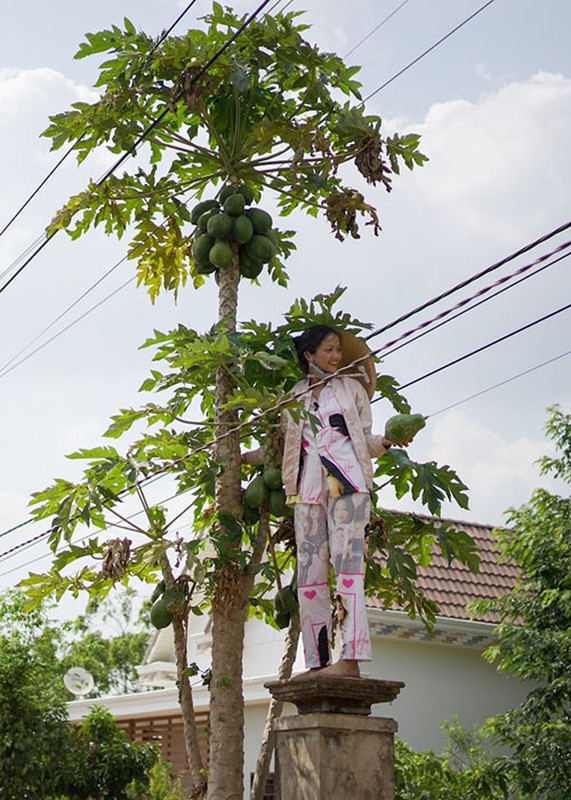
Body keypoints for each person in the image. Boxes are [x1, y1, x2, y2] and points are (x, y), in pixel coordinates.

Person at [279, 324, 396, 678]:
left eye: (337, 350)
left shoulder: (352, 391)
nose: (335, 356)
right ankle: (317, 662)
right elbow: (286, 450)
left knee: (348, 571)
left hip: (347, 485)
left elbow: (365, 439)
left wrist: (387, 443)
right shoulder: (294, 397)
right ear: (309, 356)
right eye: (328, 350)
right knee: (310, 578)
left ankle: (351, 659)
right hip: (307, 491)